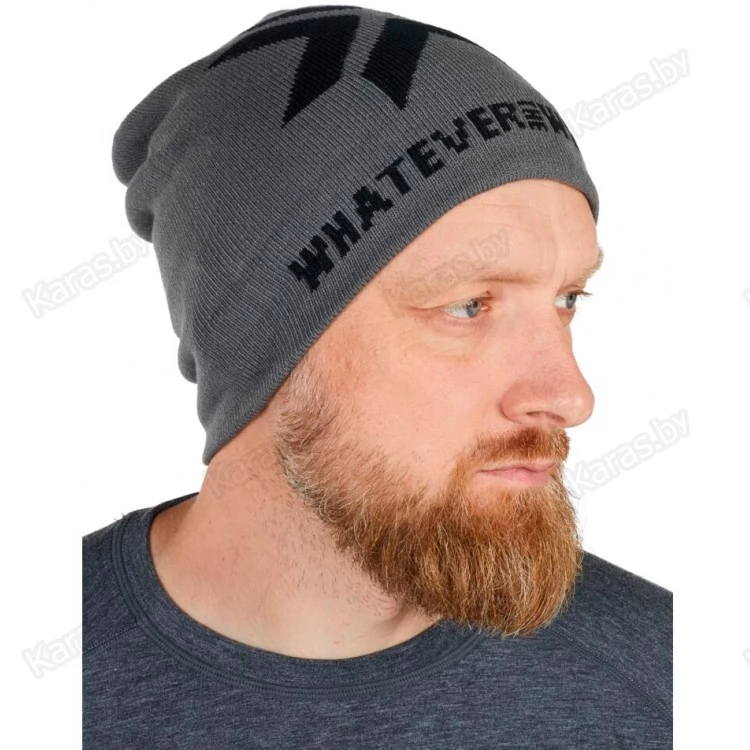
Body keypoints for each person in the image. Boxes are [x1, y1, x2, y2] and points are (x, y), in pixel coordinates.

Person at [83, 5, 672, 748]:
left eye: (567, 300)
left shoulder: (673, 680)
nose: (569, 396)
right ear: (260, 339)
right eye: (468, 306)